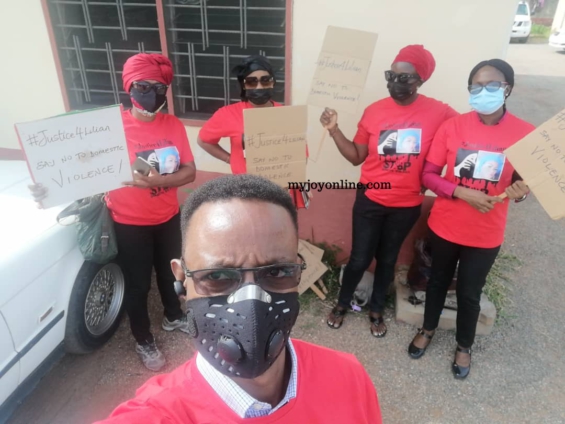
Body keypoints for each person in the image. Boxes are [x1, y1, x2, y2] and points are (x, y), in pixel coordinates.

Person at [94, 174, 382, 424]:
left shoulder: (349, 378)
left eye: (276, 271)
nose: (251, 301)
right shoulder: (156, 414)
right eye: (218, 276)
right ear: (181, 280)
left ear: (297, 272)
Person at [29, 53, 197, 372]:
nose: (152, 94)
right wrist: (47, 186)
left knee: (170, 273)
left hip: (167, 217)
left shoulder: (173, 125)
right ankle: (143, 338)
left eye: (159, 87)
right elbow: (72, 167)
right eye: (143, 86)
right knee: (137, 285)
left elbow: (189, 172)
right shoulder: (107, 128)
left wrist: (157, 181)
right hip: (128, 223)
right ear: (129, 87)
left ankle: (174, 316)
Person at [320, 45, 458, 337]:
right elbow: (356, 156)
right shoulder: (374, 111)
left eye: (404, 78)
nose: (395, 82)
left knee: (387, 259)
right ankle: (342, 304)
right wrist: (334, 130)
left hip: (406, 205)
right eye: (391, 75)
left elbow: (465, 135)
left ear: (420, 80)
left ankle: (377, 309)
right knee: (360, 258)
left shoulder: (439, 112)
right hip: (370, 199)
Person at [407, 59, 533, 379]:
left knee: (469, 292)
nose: (483, 91)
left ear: (507, 88)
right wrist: (461, 192)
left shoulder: (525, 134)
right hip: (445, 225)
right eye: (476, 85)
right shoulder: (453, 127)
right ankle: (428, 328)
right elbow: (429, 175)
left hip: (486, 233)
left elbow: (524, 185)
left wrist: (521, 192)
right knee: (437, 282)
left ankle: (464, 345)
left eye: (492, 85)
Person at [197, 55, 309, 209]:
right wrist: (230, 159)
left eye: (265, 80)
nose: (259, 87)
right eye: (252, 81)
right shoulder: (228, 114)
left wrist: (292, 177)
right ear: (243, 85)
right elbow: (204, 140)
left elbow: (301, 155)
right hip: (247, 195)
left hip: (280, 195)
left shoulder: (286, 115)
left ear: (273, 82)